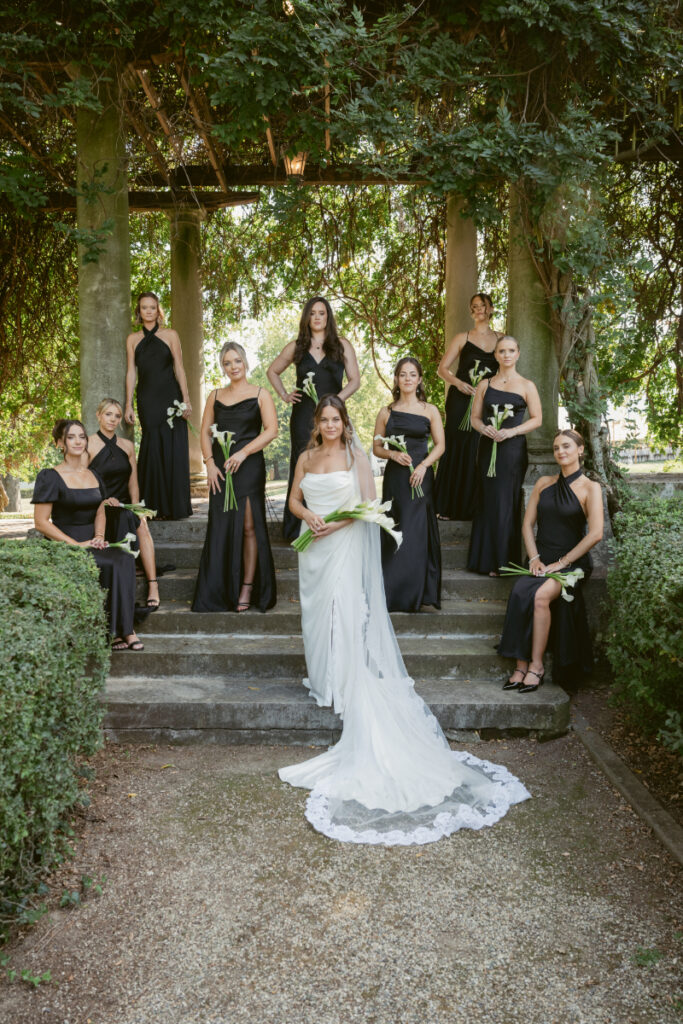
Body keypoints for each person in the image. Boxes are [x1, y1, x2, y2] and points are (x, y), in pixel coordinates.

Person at [278, 396, 530, 846]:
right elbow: (294, 499)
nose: (331, 425)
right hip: (311, 546)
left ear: (344, 422)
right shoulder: (305, 456)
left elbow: (368, 507)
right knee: (318, 615)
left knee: (345, 611)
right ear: (317, 424)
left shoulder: (356, 456)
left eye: (337, 419)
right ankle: (324, 678)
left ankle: (348, 679)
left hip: (344, 542)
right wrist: (309, 517)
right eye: (325, 420)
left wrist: (333, 524)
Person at [499, 429, 604, 692]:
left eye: (567, 446)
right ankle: (520, 666)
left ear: (580, 450)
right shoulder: (543, 483)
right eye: (557, 448)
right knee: (520, 592)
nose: (561, 452)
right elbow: (527, 525)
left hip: (571, 562)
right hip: (540, 559)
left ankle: (537, 666)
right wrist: (533, 558)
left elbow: (596, 534)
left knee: (541, 596)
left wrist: (563, 562)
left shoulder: (591, 488)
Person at [32, 420, 141, 651]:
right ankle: (117, 632)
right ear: (60, 443)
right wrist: (76, 545)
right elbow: (41, 522)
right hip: (66, 543)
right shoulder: (50, 476)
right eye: (71, 437)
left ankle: (126, 629)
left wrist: (99, 535)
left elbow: (100, 507)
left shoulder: (93, 474)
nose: (79, 441)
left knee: (124, 558)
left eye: (82, 436)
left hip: (93, 540)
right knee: (110, 564)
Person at [192, 342, 278, 613]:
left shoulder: (261, 394)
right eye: (227, 363)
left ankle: (247, 586)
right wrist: (209, 464)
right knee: (221, 525)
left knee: (249, 527)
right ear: (223, 367)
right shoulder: (214, 395)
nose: (233, 367)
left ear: (245, 361)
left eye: (237, 360)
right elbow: (205, 432)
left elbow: (272, 430)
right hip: (221, 469)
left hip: (249, 468)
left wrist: (243, 453)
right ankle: (220, 587)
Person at [266, 296, 360, 541]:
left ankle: (330, 520)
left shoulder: (342, 345)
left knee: (332, 461)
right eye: (313, 313)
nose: (317, 317)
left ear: (328, 317)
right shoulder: (296, 347)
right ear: (307, 317)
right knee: (303, 465)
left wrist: (335, 404)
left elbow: (355, 380)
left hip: (333, 418)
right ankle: (297, 528)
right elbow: (272, 371)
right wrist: (285, 395)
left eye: (322, 313)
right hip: (303, 416)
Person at [372, 357, 444, 612]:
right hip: (396, 478)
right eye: (403, 374)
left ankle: (418, 593)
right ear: (396, 379)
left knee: (415, 532)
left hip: (421, 478)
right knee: (396, 531)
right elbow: (377, 447)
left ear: (420, 379)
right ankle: (393, 592)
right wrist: (392, 454)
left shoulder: (430, 410)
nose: (408, 379)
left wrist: (424, 465)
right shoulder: (386, 412)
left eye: (412, 374)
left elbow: (441, 445)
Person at [467, 335, 542, 576]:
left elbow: (537, 419)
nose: (506, 355)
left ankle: (503, 561)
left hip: (512, 450)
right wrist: (483, 429)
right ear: (496, 355)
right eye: (502, 351)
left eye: (511, 350)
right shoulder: (484, 385)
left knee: (505, 501)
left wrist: (512, 431)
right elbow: (474, 418)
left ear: (518, 354)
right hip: (487, 447)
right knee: (488, 500)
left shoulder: (527, 385)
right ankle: (483, 559)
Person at [124, 291, 192, 520]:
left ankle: (174, 507)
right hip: (147, 399)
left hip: (170, 397)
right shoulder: (132, 339)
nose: (149, 311)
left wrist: (186, 400)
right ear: (139, 311)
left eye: (153, 307)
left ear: (158, 310)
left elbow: (179, 368)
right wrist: (128, 404)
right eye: (144, 307)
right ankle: (153, 507)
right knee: (152, 445)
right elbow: (131, 372)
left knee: (173, 446)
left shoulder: (171, 334)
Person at [87, 399, 160, 611]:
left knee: (141, 525)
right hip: (99, 505)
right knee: (123, 519)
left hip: (124, 504)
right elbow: (85, 481)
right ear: (99, 415)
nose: (112, 419)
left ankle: (153, 586)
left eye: (117, 416)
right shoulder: (89, 444)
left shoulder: (127, 446)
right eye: (108, 414)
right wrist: (102, 500)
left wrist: (139, 509)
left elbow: (133, 482)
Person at [434, 294, 501, 520]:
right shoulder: (462, 338)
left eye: (483, 306)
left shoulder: (501, 339)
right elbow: (442, 369)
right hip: (460, 400)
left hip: (486, 401)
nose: (479, 310)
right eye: (474, 307)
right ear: (471, 311)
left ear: (491, 309)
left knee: (478, 447)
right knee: (456, 446)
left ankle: (475, 508)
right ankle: (446, 506)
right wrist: (459, 383)